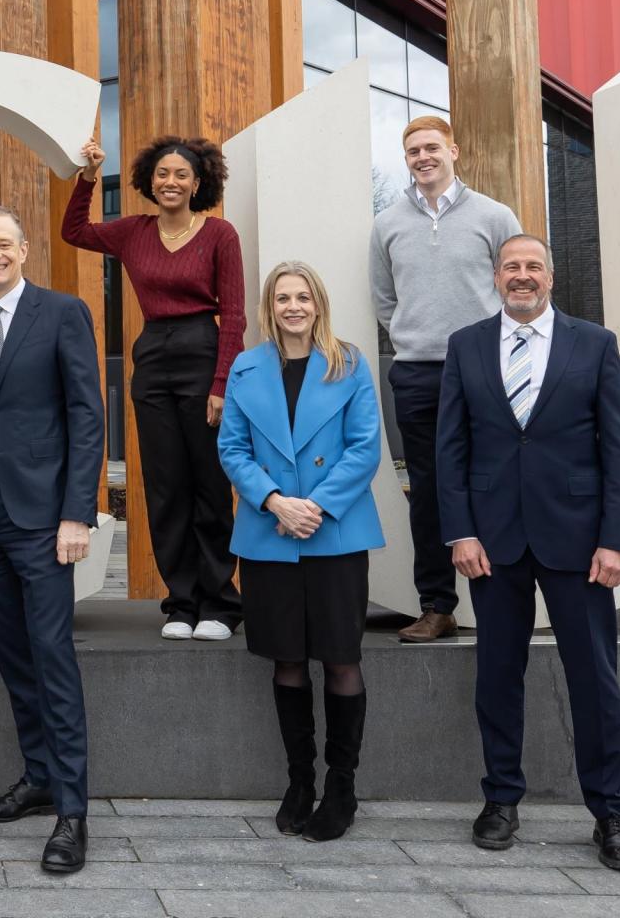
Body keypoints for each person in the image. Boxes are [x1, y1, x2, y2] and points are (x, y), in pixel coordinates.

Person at [437, 234, 620, 872]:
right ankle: (501, 799)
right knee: (497, 675)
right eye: (511, 268)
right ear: (495, 277)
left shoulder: (595, 344)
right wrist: (459, 532)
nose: (521, 277)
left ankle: (610, 812)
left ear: (550, 277)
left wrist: (617, 538)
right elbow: (450, 449)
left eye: (532, 267)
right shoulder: (465, 344)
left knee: (595, 680)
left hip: (580, 542)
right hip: (491, 541)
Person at [0, 206, 104, 875]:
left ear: (25, 249)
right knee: (12, 655)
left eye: (3, 244)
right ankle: (38, 778)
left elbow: (87, 416)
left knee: (52, 656)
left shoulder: (62, 313)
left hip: (43, 519)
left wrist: (77, 514)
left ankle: (72, 810)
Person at [218, 261, 384, 843]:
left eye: (303, 296)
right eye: (283, 297)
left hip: (333, 532)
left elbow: (366, 448)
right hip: (270, 535)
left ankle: (342, 788)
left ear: (318, 303)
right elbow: (232, 448)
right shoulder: (246, 367)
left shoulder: (351, 362)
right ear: (270, 306)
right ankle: (299, 782)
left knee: (341, 658)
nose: (294, 306)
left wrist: (313, 507)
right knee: (287, 658)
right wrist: (274, 501)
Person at [62, 133, 245, 640]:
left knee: (209, 485)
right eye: (163, 174)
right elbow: (73, 230)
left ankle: (219, 604)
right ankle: (181, 603)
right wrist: (89, 176)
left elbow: (233, 315)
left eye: (181, 174)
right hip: (153, 360)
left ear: (198, 182)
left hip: (203, 354)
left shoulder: (219, 234)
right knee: (166, 490)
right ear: (149, 180)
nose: (171, 182)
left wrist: (222, 384)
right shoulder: (133, 232)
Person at [369, 116, 521, 642]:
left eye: (431, 147)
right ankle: (437, 605)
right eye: (412, 150)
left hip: (484, 371)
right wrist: (419, 338)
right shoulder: (387, 223)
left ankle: (501, 596)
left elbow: (514, 285)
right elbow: (385, 300)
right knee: (430, 492)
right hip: (415, 374)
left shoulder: (495, 216)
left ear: (454, 150)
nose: (422, 157)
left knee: (494, 482)